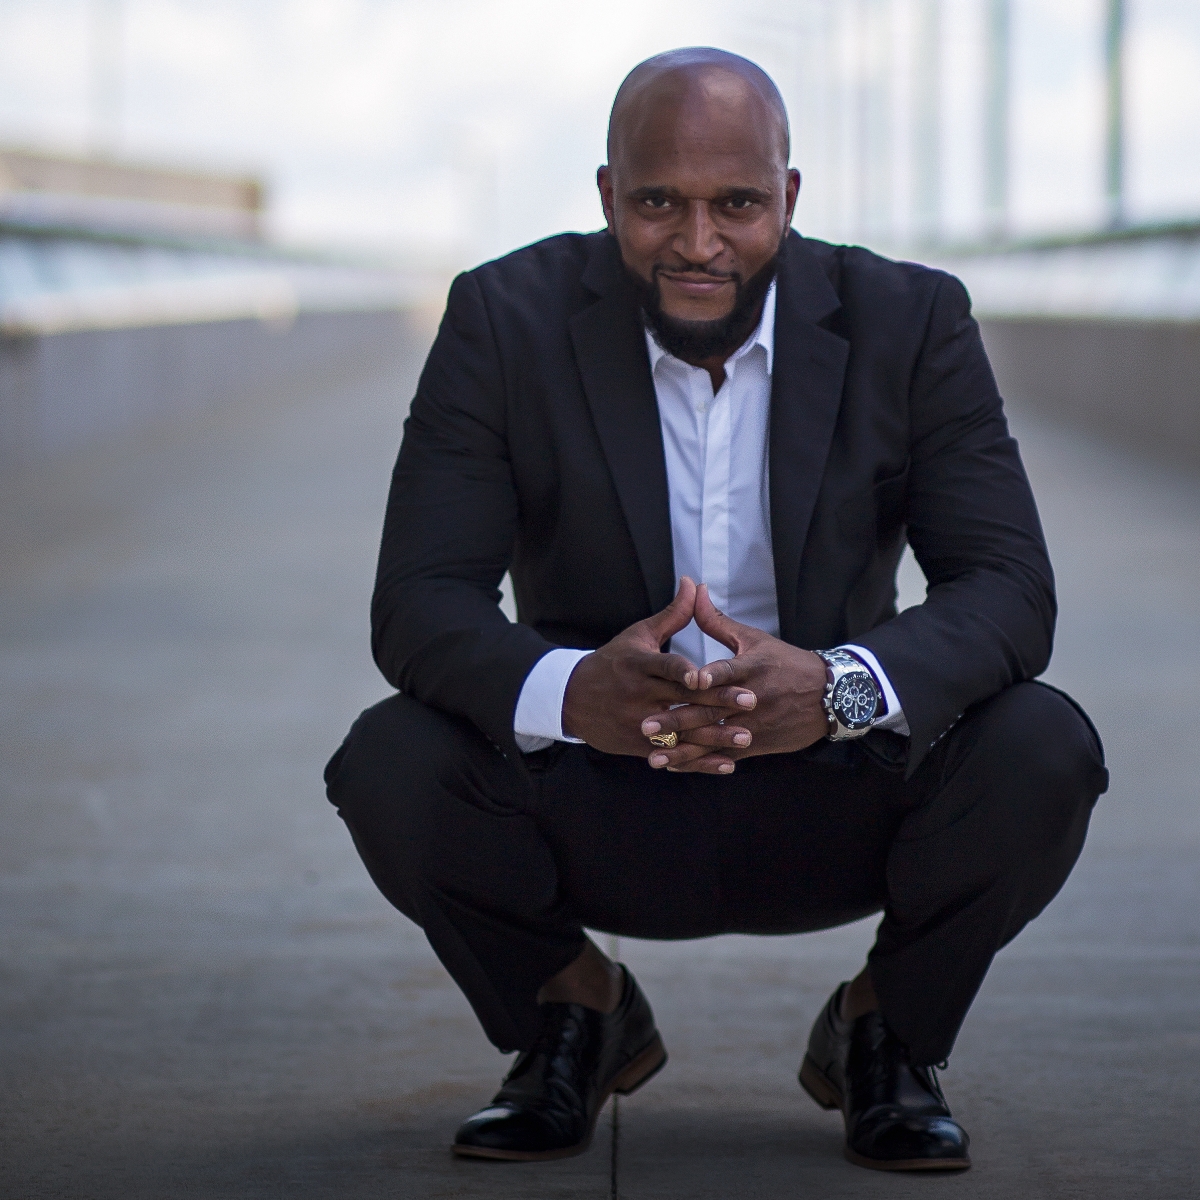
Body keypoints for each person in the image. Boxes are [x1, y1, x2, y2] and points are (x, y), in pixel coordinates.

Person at [324, 47, 1108, 1173]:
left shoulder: (912, 320)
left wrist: (835, 687)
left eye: (737, 204)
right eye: (659, 205)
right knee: (388, 763)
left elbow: (1008, 589)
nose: (698, 245)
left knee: (1043, 746)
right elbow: (417, 602)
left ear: (788, 197)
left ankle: (886, 1029)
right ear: (607, 198)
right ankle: (575, 1012)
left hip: (837, 783)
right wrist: (575, 693)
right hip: (593, 784)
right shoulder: (503, 319)